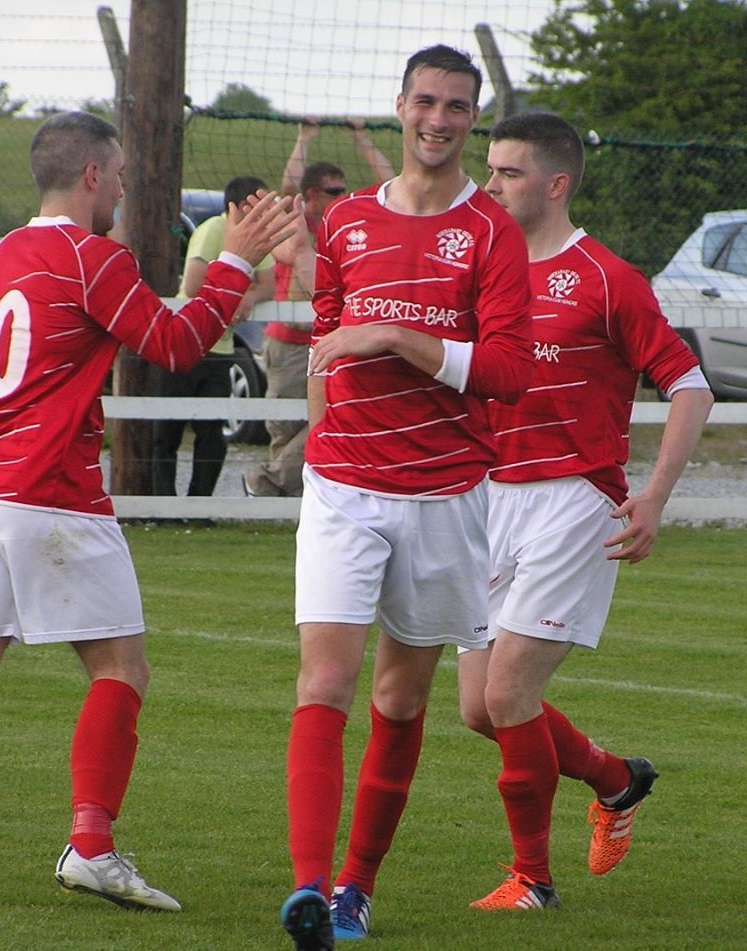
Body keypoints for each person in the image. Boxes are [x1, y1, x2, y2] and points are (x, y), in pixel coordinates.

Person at [0, 111, 298, 904]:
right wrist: (237, 260)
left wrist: (226, 277)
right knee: (122, 668)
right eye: (123, 174)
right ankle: (92, 847)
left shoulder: (1, 256)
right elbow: (178, 345)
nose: (126, 188)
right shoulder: (90, 255)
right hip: (46, 491)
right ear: (93, 175)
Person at [279, 46, 533, 949]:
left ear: (474, 120)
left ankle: (357, 886)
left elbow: (506, 371)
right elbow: (326, 342)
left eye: (456, 106)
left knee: (397, 697)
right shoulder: (346, 219)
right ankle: (309, 889)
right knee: (325, 679)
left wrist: (393, 334)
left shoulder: (493, 231)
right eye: (426, 101)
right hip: (344, 484)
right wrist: (319, 451)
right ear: (399, 106)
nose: (438, 119)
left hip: (444, 492)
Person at [458, 112, 714, 910]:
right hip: (487, 499)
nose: (491, 185)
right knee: (479, 708)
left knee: (508, 695)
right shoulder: (482, 271)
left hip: (573, 500)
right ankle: (616, 778)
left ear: (556, 183)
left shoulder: (605, 276)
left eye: (509, 172)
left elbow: (690, 385)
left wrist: (654, 496)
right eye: (490, 169)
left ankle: (531, 879)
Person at [243, 120, 394, 499]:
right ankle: (282, 501)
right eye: (335, 191)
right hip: (288, 342)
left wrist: (362, 139)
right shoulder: (299, 222)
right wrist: (303, 138)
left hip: (326, 340)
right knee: (284, 429)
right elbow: (288, 188)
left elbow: (392, 186)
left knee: (322, 421)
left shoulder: (343, 225)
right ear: (313, 194)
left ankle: (267, 484)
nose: (343, 195)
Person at [151, 175, 276, 498]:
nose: (268, 212)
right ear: (241, 206)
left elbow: (268, 285)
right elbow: (193, 285)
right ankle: (164, 508)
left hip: (221, 348)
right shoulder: (212, 231)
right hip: (187, 342)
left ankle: (200, 505)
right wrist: (236, 294)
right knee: (167, 431)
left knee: (212, 434)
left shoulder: (257, 240)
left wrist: (248, 296)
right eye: (262, 205)